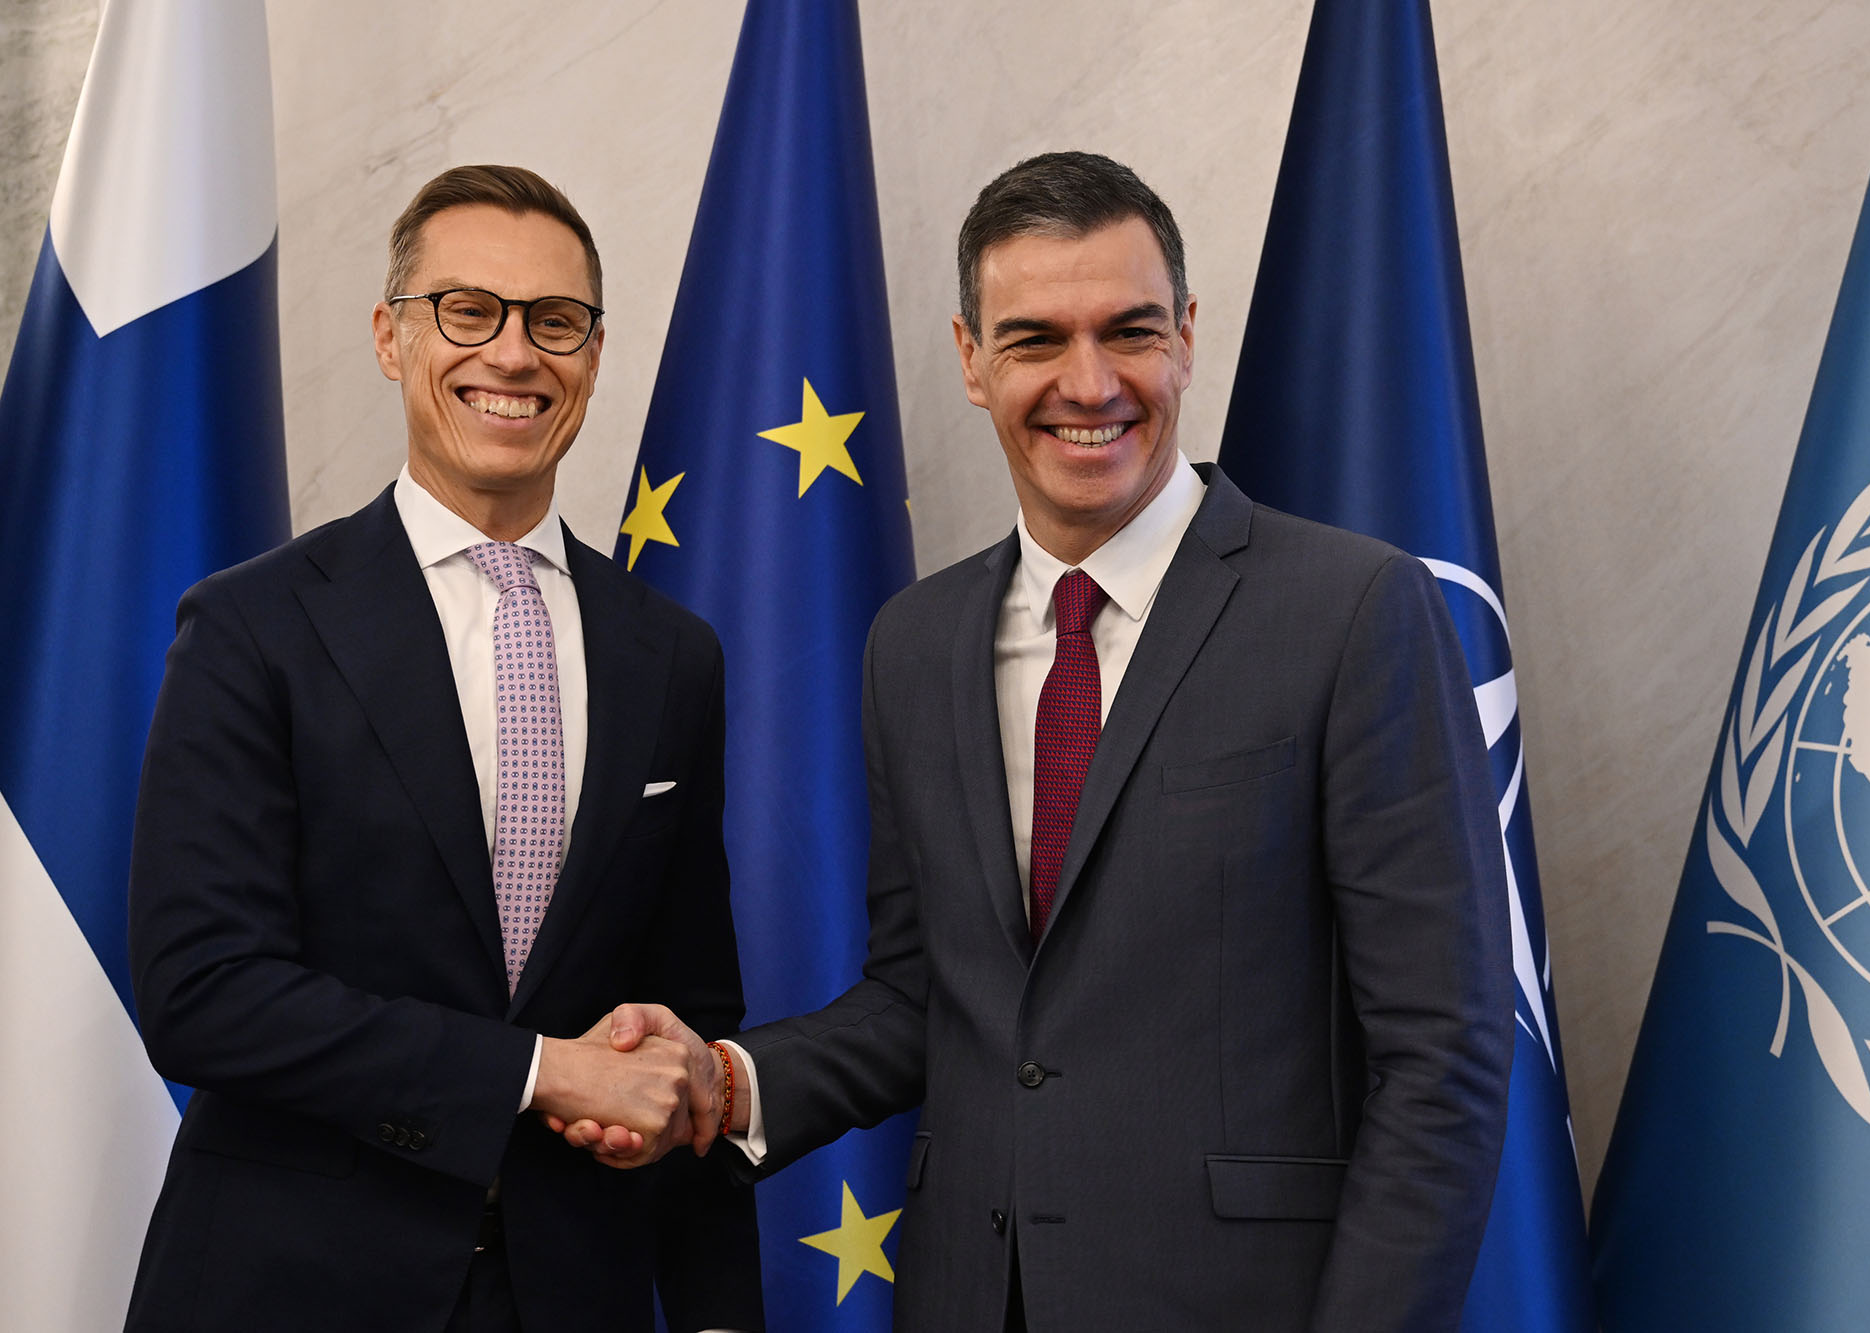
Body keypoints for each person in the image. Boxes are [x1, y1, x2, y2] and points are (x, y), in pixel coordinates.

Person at [573, 150, 1513, 1330]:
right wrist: (724, 1081)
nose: (1088, 381)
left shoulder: (1352, 609)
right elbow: (929, 997)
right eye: (1032, 339)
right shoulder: (912, 644)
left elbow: (1444, 1055)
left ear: (1185, 335)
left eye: (1127, 330)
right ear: (970, 360)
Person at [124, 165, 761, 1333]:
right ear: (388, 335)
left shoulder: (671, 656)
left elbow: (680, 1024)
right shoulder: (253, 625)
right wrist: (536, 1070)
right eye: (468, 311)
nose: (513, 355)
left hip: (574, 1293)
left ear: (595, 352)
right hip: (287, 1291)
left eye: (554, 321)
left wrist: (719, 1314)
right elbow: (202, 993)